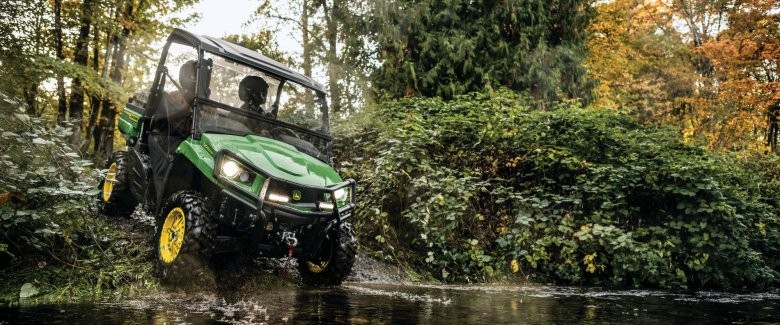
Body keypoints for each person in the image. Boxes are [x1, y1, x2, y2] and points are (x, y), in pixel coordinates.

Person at [149, 60, 197, 203]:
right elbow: (167, 119)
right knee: (170, 164)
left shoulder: (204, 102)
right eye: (196, 75)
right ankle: (161, 204)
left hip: (191, 142)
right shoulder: (174, 96)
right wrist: (188, 106)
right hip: (165, 138)